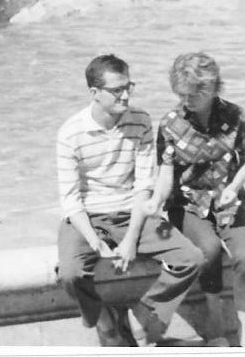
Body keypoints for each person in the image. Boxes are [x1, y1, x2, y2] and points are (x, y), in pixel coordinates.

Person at [56, 54, 202, 347]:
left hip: (133, 213)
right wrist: (95, 242)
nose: (125, 95)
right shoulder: (70, 133)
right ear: (94, 93)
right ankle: (103, 319)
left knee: (191, 258)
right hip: (88, 218)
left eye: (128, 87)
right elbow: (71, 201)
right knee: (71, 274)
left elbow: (143, 186)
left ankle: (143, 313)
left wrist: (129, 239)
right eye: (116, 90)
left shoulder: (141, 121)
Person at [146, 52, 245, 348]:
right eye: (181, 94)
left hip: (229, 199)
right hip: (187, 204)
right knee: (208, 250)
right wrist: (156, 201)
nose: (186, 100)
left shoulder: (235, 114)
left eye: (193, 94)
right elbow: (165, 174)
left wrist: (234, 187)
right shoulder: (170, 124)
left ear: (210, 88)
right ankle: (216, 323)